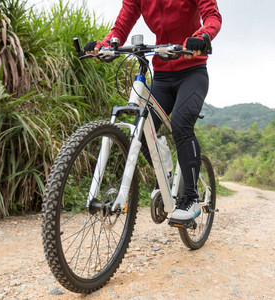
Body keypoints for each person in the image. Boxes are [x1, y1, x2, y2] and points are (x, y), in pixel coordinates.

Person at [84, 0, 222, 223]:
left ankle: (191, 197)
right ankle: (165, 172)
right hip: (162, 75)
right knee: (142, 127)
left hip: (193, 70)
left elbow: (213, 16)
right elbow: (121, 26)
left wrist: (202, 35)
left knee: (180, 122)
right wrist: (106, 44)